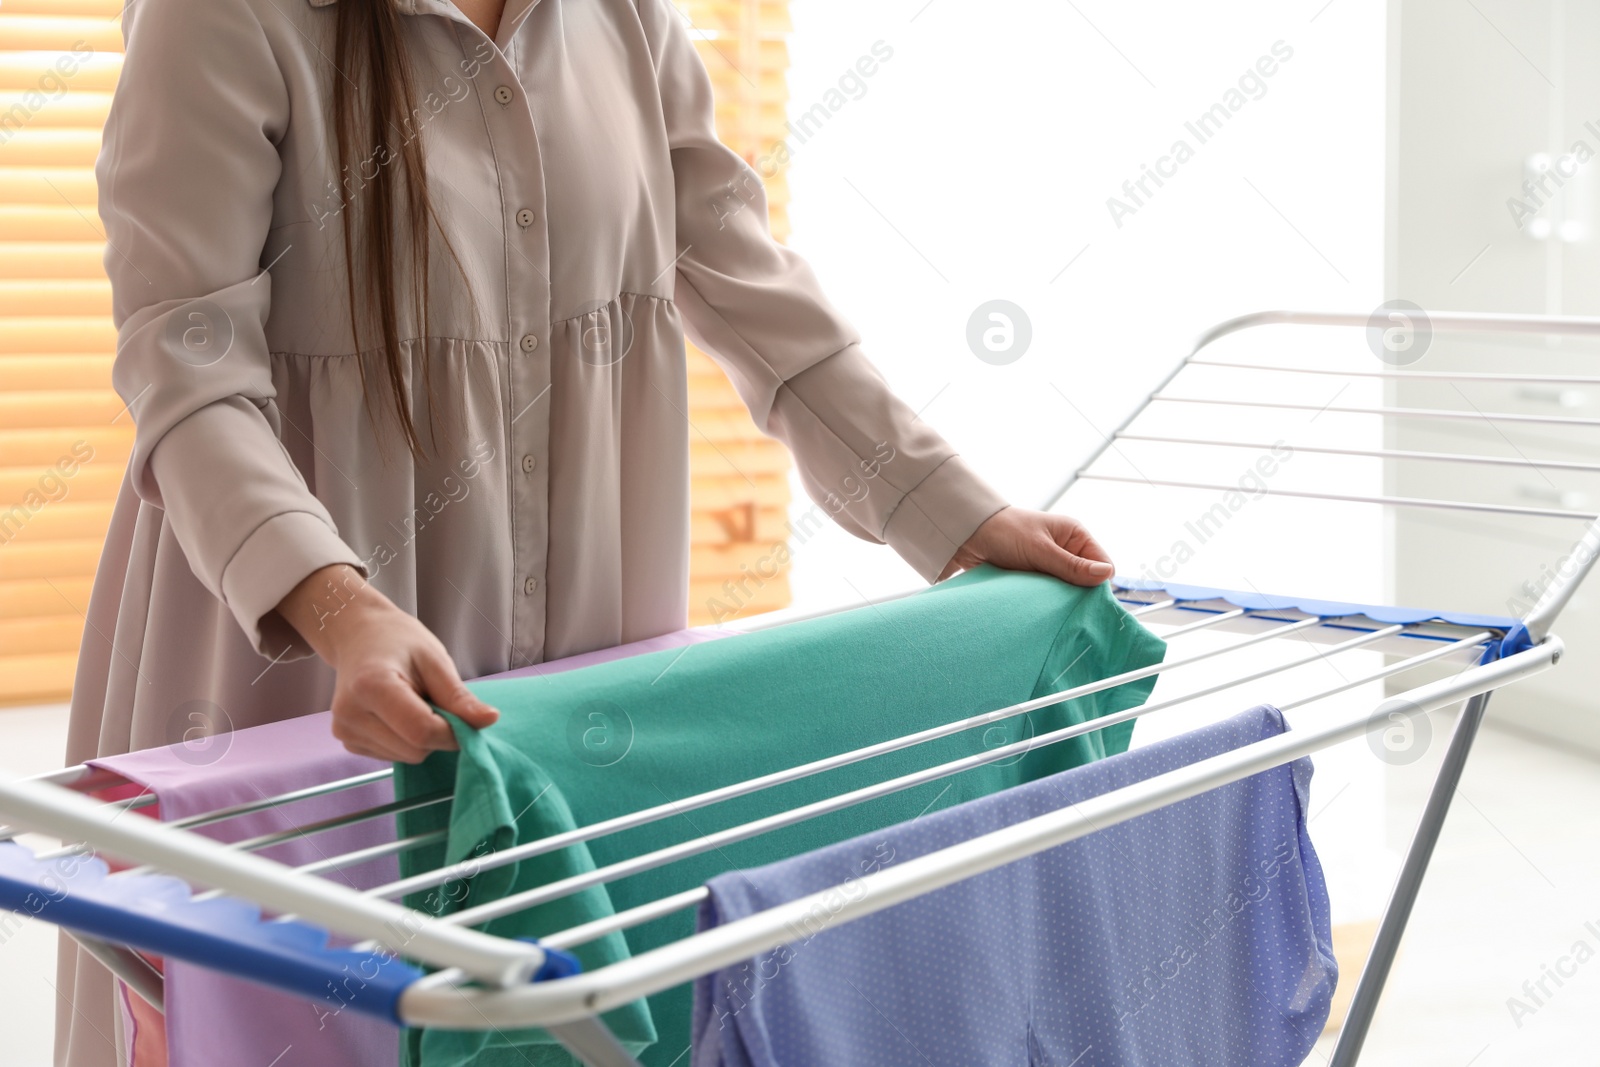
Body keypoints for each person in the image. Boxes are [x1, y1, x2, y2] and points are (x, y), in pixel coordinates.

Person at [56, 0, 1114, 1063]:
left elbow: (749, 282)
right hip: (303, 663)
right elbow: (186, 373)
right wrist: (344, 607)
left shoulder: (624, 16)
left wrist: (955, 508)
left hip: (580, 684)